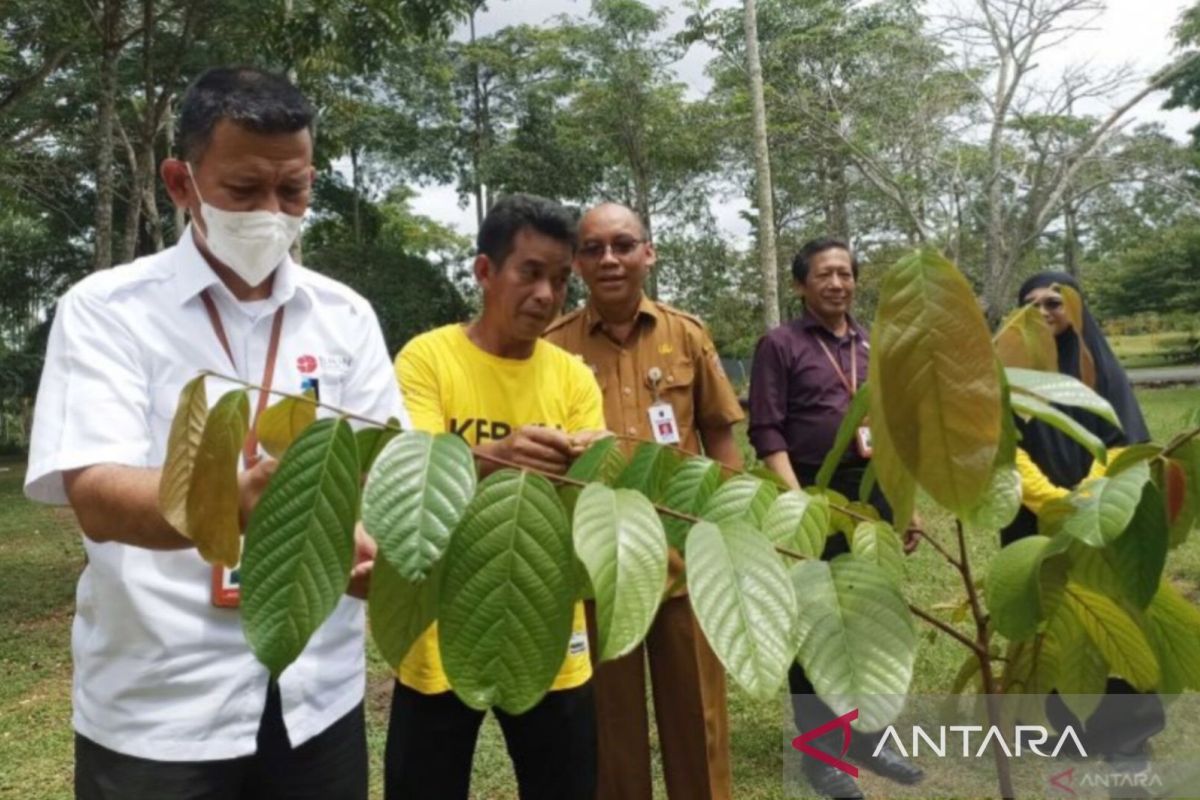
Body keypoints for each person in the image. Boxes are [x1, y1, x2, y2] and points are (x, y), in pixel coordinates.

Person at [24, 67, 406, 799]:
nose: (272, 211)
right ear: (180, 183)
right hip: (163, 705)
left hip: (315, 696)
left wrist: (373, 543)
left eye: (292, 192)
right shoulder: (108, 311)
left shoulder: (345, 316)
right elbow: (98, 494)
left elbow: (383, 468)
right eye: (243, 190)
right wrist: (235, 498)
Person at [388, 193, 607, 800]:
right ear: (485, 272)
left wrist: (599, 468)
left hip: (547, 625)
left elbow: (584, 501)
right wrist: (498, 457)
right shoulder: (426, 360)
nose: (546, 294)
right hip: (438, 622)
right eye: (530, 273)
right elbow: (414, 484)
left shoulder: (573, 378)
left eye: (561, 280)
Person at [544, 202, 745, 800]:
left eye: (624, 245)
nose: (610, 258)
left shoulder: (686, 334)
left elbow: (720, 433)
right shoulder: (553, 347)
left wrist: (729, 533)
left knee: (698, 723)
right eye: (594, 248)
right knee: (612, 733)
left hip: (687, 561)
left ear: (648, 253)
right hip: (600, 569)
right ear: (577, 263)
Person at [748, 238, 923, 799]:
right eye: (824, 274)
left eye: (846, 274)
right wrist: (798, 505)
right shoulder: (779, 344)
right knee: (817, 623)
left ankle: (873, 738)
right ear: (800, 285)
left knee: (873, 618)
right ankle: (823, 752)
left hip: (873, 494)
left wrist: (908, 507)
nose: (837, 283)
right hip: (809, 489)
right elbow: (766, 429)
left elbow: (895, 432)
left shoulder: (876, 345)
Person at [1003, 271, 1163, 768]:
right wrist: (1053, 502)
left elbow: (1124, 443)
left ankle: (1127, 735)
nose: (1044, 313)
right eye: (1031, 306)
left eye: (1054, 302)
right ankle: (1065, 729)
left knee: (1111, 620)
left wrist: (1089, 502)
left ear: (1075, 309)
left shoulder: (1104, 371)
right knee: (1052, 622)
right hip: (1034, 523)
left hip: (1104, 520)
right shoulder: (1010, 375)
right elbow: (1006, 450)